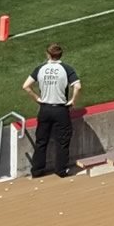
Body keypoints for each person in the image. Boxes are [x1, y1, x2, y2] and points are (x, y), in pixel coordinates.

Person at [21, 43, 81, 179]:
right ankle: (61, 170)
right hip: (60, 109)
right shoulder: (66, 69)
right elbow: (78, 86)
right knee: (63, 141)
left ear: (48, 54)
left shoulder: (40, 68)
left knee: (41, 141)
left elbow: (26, 86)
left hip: (45, 109)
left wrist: (37, 98)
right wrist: (72, 100)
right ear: (61, 55)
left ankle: (37, 171)